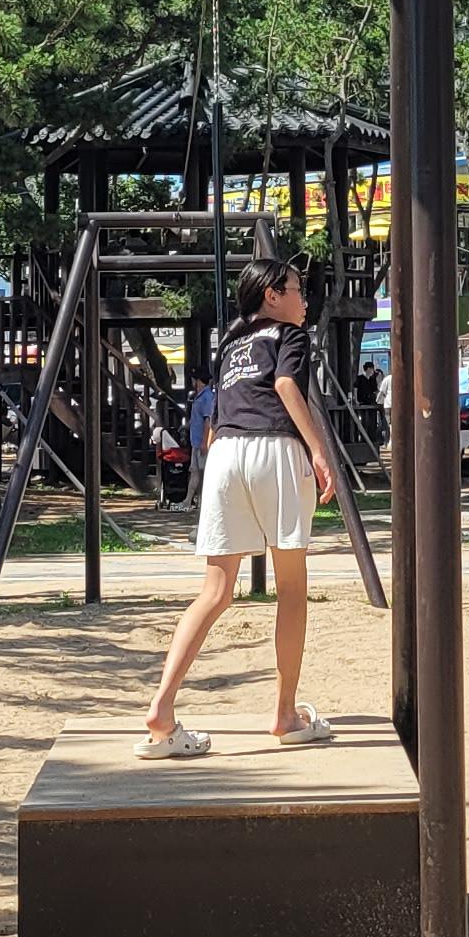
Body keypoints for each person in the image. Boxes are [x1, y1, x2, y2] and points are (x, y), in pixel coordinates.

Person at [142, 259, 342, 758]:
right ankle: (285, 713)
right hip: (275, 447)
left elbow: (217, 415)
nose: (304, 300)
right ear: (272, 295)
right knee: (291, 588)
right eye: (297, 289)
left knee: (214, 591)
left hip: (225, 454)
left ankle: (162, 707)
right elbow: (286, 387)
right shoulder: (290, 335)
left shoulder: (230, 344)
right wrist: (319, 451)